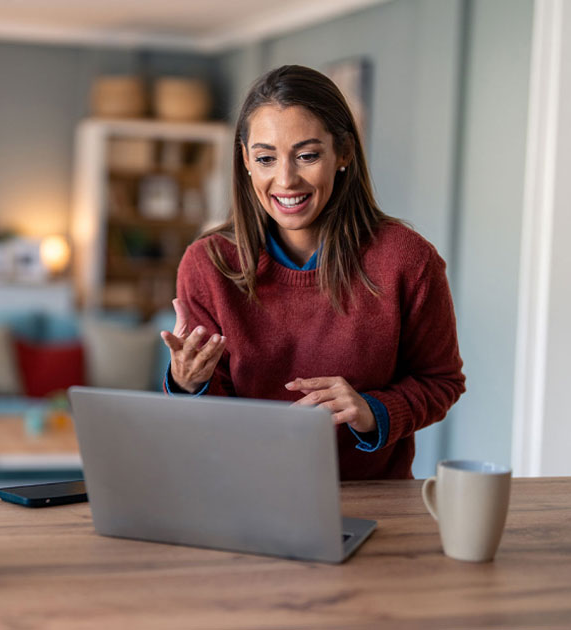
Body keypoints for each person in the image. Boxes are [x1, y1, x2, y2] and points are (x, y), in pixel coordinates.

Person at [160, 65, 465, 480]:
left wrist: (372, 411)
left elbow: (441, 381)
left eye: (307, 155)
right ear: (246, 161)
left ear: (343, 153)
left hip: (370, 500)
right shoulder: (208, 264)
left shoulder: (407, 260)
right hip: (244, 492)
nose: (285, 180)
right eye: (266, 158)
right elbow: (212, 415)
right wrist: (186, 385)